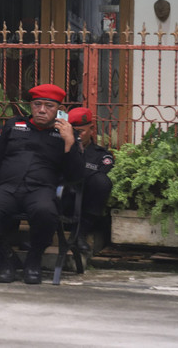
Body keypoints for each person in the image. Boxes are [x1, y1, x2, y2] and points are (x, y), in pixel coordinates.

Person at [0, 84, 85, 284]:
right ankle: (6, 258)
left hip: (40, 189)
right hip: (8, 188)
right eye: (37, 104)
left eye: (49, 106)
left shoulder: (66, 133)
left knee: (45, 212)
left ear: (59, 110)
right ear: (30, 106)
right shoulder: (14, 125)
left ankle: (34, 259)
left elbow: (75, 176)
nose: (42, 110)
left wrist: (69, 143)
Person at [67, 107, 114, 252]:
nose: (76, 136)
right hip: (62, 201)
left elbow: (99, 177)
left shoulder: (101, 155)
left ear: (92, 130)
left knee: (100, 182)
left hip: (85, 205)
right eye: (72, 131)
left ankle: (81, 234)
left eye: (80, 131)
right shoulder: (62, 148)